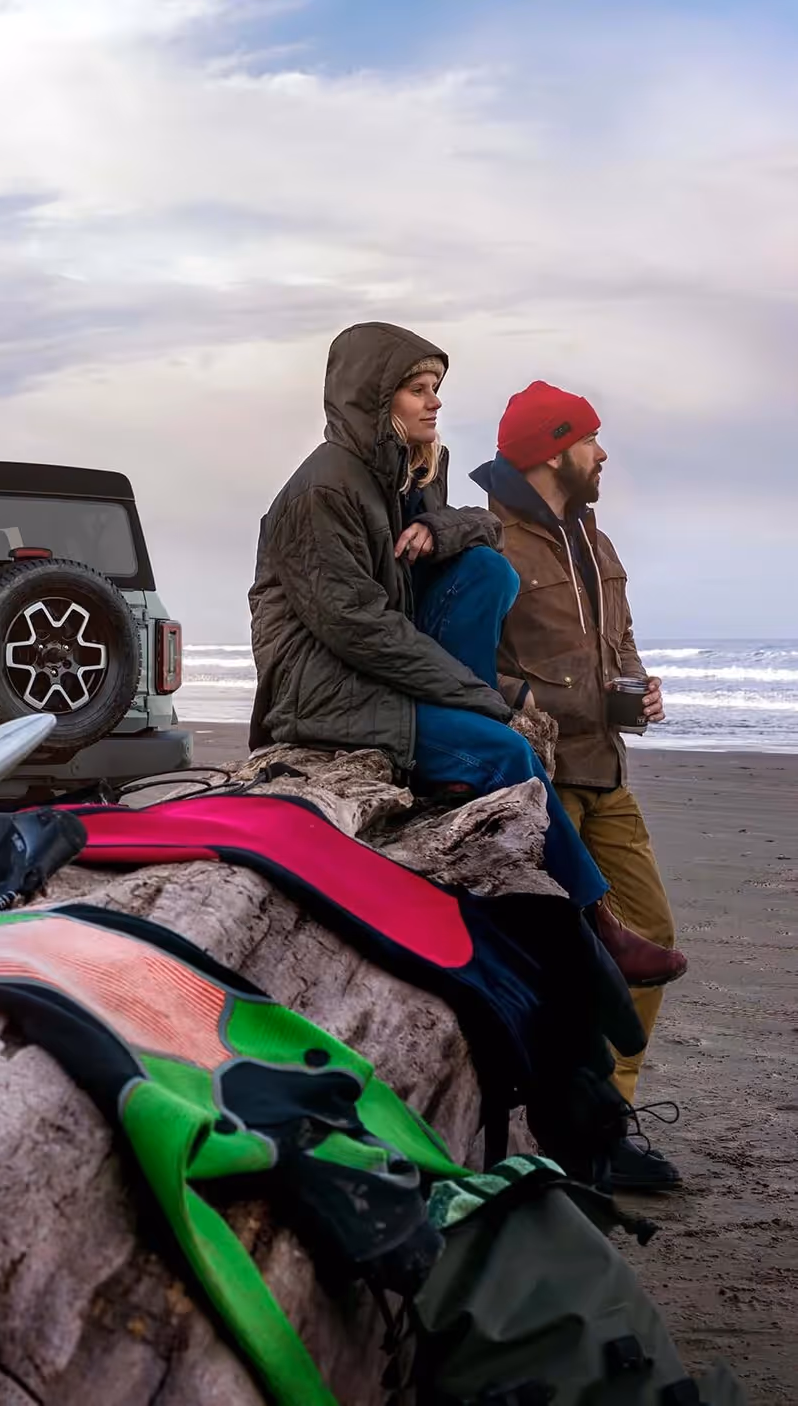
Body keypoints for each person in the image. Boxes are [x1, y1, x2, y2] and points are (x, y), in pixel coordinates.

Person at [245, 324, 682, 986]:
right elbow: (356, 629)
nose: (434, 403)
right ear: (374, 399)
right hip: (328, 690)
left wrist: (434, 524)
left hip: (382, 672)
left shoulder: (404, 474)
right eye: (417, 391)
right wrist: (483, 699)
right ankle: (597, 925)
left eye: (436, 389)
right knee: (507, 749)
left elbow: (485, 529)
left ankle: (467, 749)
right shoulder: (323, 491)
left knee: (486, 570)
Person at [470, 381, 686, 1190]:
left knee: (649, 936)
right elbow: (466, 667)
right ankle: (568, 1128)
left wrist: (640, 689)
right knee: (556, 963)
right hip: (541, 782)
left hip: (607, 773)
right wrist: (537, 703)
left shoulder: (596, 541)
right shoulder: (489, 543)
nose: (603, 455)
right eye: (591, 440)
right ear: (553, 449)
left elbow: (618, 648)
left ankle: (609, 1117)